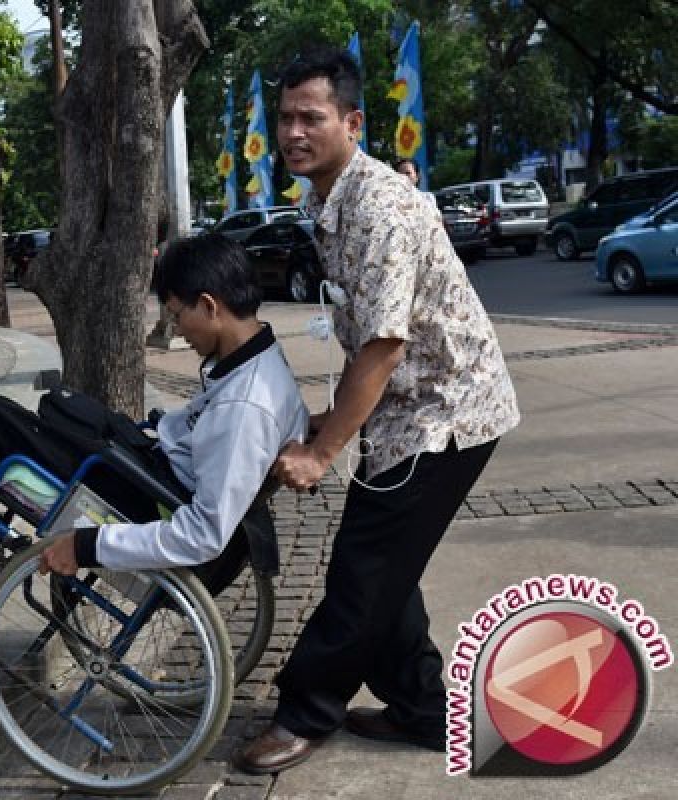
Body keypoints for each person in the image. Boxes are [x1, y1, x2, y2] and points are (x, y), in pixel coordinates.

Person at [232, 49, 519, 775]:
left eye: (311, 117)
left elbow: (384, 348)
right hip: (406, 409)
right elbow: (367, 337)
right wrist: (328, 422)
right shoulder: (329, 200)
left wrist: (321, 451)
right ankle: (427, 711)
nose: (294, 132)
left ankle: (306, 710)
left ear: (352, 122)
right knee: (387, 567)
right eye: (286, 117)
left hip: (444, 412)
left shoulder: (381, 207)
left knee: (363, 567)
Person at [0, 233, 308, 581]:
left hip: (146, 497)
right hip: (150, 469)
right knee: (37, 414)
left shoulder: (246, 404)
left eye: (176, 313)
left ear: (209, 306)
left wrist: (89, 546)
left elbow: (201, 535)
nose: (176, 328)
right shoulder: (261, 361)